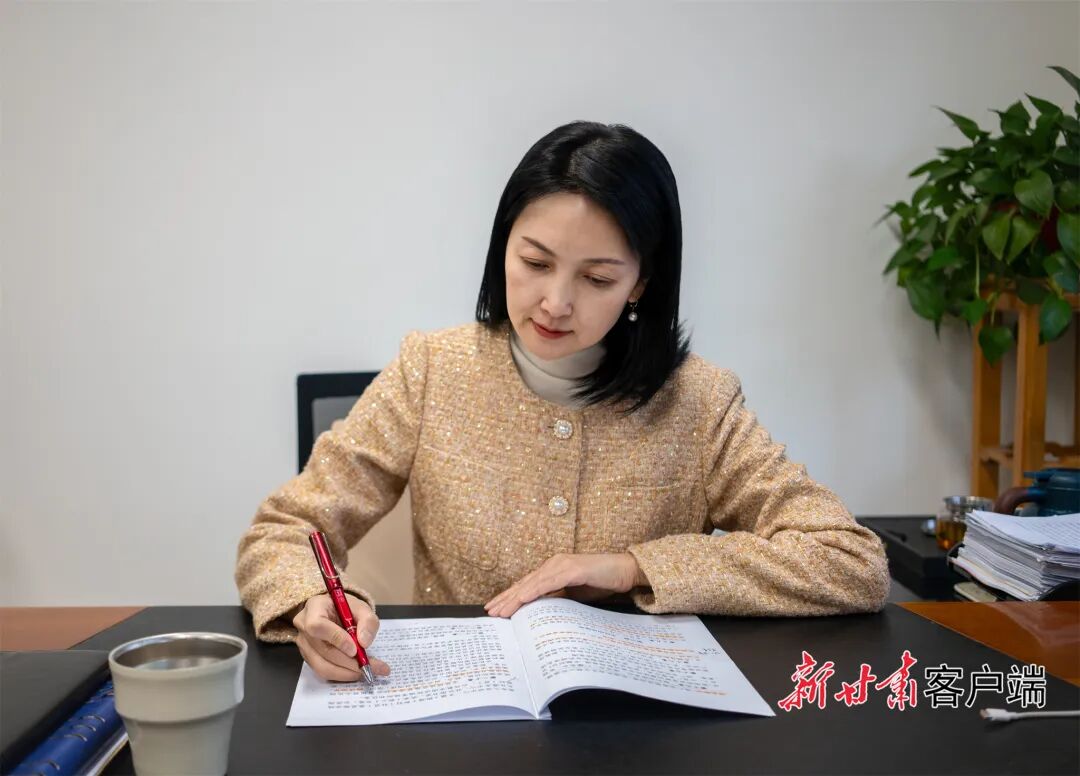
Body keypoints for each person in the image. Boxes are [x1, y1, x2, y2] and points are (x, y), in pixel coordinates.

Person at [235, 120, 890, 682]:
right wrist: (315, 603)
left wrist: (634, 567)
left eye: (597, 278)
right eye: (535, 262)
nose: (555, 303)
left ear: (640, 283)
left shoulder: (698, 401)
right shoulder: (432, 369)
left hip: (641, 730)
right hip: (463, 715)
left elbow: (850, 561)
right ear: (504, 245)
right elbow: (284, 530)